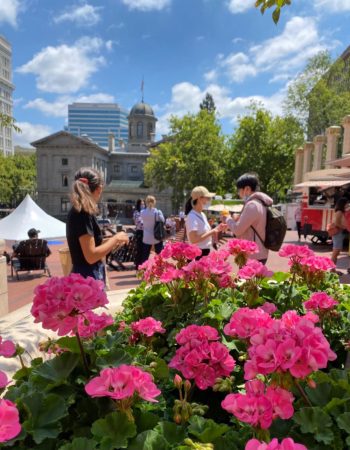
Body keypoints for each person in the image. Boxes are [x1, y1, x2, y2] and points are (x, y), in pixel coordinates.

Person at [66, 167, 128, 282]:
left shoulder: (80, 211)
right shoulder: (82, 213)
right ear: (99, 189)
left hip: (85, 276)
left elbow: (90, 246)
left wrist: (114, 240)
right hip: (86, 279)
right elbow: (91, 256)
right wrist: (115, 239)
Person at [224, 173, 273, 264]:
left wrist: (227, 219)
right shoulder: (260, 203)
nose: (238, 194)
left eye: (239, 190)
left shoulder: (252, 205)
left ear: (247, 189)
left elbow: (238, 230)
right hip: (260, 252)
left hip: (253, 255)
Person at [185, 186, 226, 258]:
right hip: (198, 254)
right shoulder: (192, 216)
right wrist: (213, 231)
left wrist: (217, 228)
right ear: (199, 199)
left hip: (205, 252)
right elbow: (193, 239)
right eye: (207, 198)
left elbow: (204, 233)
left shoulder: (202, 214)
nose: (209, 200)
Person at [140, 195, 165, 264]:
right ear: (154, 202)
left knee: (145, 256)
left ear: (146, 202)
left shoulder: (142, 212)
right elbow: (163, 221)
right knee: (159, 255)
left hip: (146, 237)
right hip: (156, 236)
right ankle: (160, 268)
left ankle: (143, 269)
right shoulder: (157, 212)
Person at [330, 197, 348, 266]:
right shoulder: (339, 212)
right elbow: (336, 223)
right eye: (346, 204)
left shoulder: (340, 212)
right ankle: (332, 269)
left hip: (339, 233)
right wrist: (344, 227)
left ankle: (333, 269)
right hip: (338, 233)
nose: (347, 205)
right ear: (343, 204)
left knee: (337, 252)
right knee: (336, 252)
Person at [133, 198, 145, 270]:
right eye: (141, 204)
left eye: (143, 204)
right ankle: (138, 266)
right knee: (139, 250)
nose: (142, 205)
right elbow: (140, 223)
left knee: (143, 250)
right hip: (140, 232)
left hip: (144, 232)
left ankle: (142, 265)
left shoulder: (143, 212)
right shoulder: (136, 213)